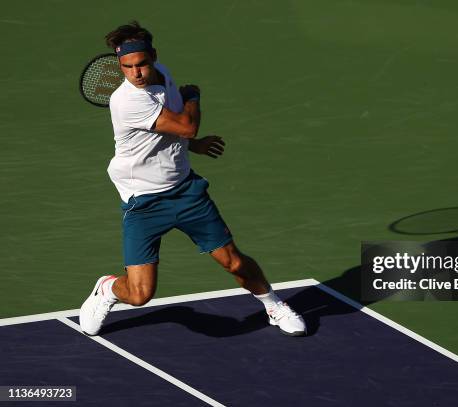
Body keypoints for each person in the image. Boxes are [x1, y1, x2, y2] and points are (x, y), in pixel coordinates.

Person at [79, 21, 306, 337]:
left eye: (142, 64)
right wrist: (193, 98)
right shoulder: (127, 100)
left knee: (233, 261)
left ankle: (274, 306)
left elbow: (173, 134)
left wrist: (193, 146)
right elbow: (186, 126)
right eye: (127, 67)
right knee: (140, 294)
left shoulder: (164, 74)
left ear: (154, 57)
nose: (136, 73)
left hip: (186, 191)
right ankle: (108, 289)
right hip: (143, 201)